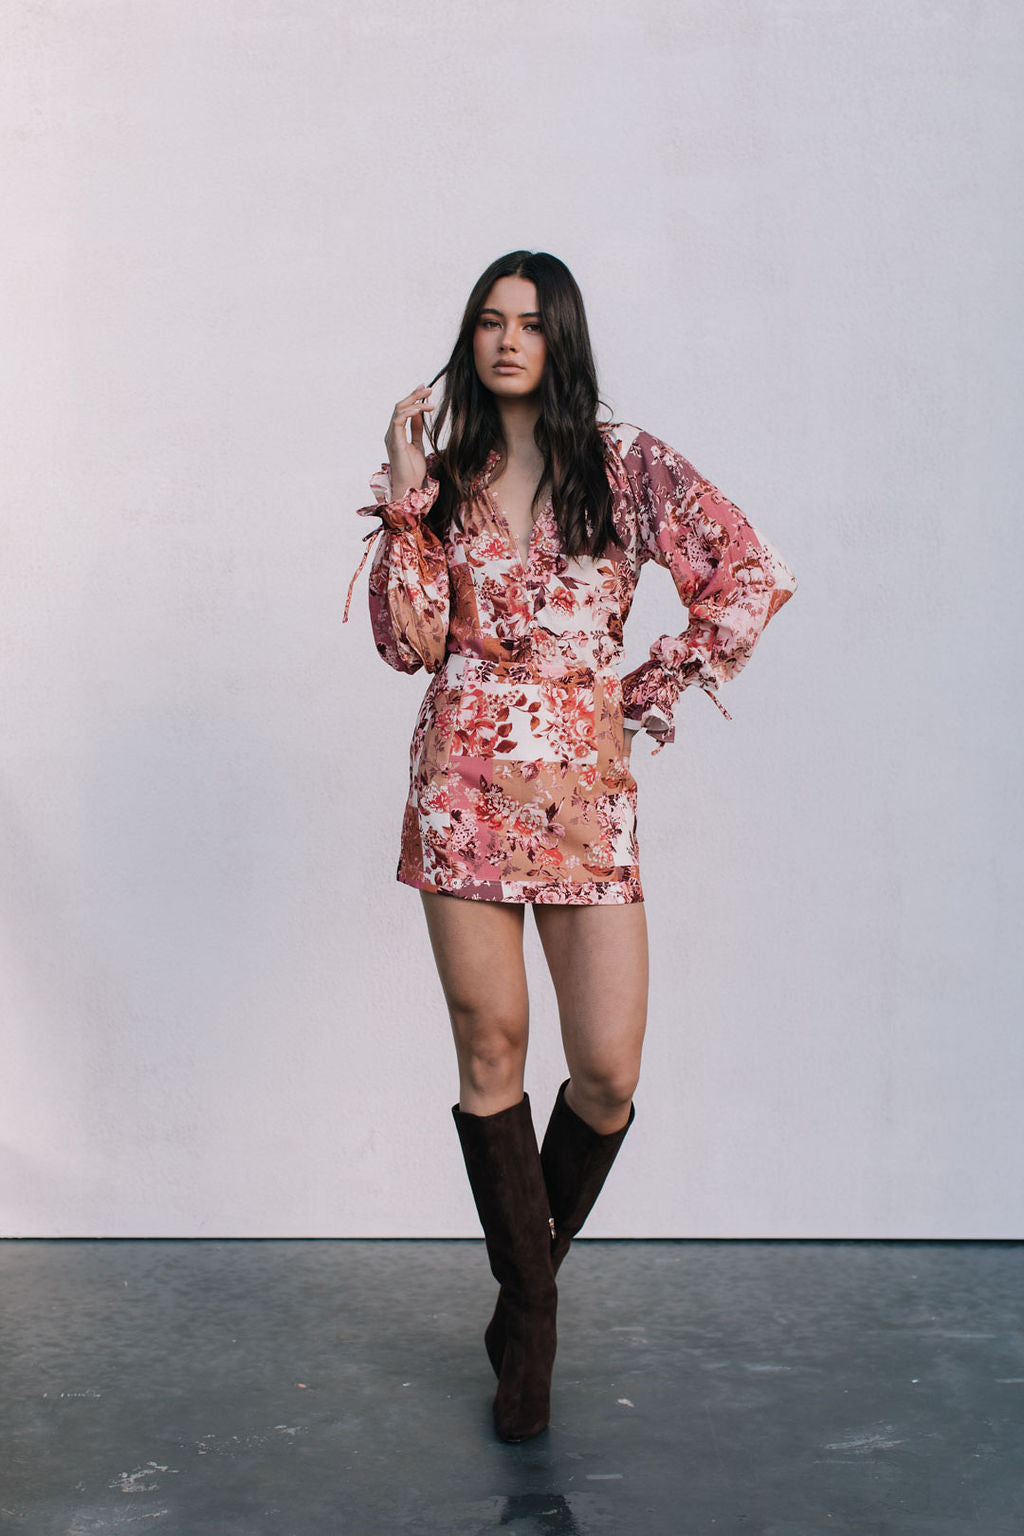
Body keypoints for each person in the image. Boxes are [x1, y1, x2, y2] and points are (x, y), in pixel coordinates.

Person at [344, 250, 796, 1443]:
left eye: (528, 325)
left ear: (562, 340)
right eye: (487, 322)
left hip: (587, 793)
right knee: (489, 1045)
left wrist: (645, 686)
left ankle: (516, 1295)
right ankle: (531, 1332)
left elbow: (748, 576)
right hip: (462, 784)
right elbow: (405, 642)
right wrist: (402, 499)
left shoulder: (627, 463)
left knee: (605, 1075)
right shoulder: (444, 476)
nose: (504, 342)